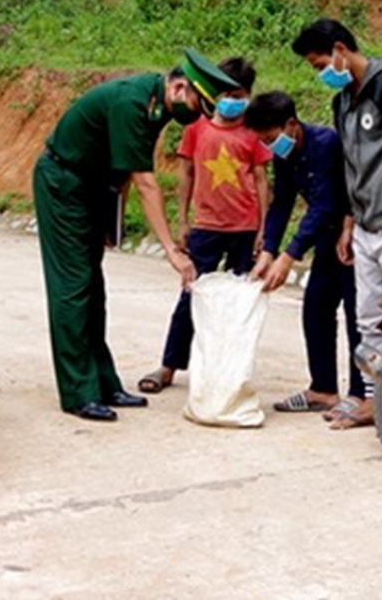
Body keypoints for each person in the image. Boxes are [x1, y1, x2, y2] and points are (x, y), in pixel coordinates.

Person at [35, 50, 240, 422]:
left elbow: (127, 169)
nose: (198, 114)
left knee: (93, 288)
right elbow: (147, 184)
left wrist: (109, 223)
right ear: (179, 87)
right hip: (63, 184)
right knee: (72, 286)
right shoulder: (133, 102)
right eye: (198, 103)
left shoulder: (157, 106)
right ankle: (77, 392)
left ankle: (103, 382)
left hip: (93, 188)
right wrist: (172, 251)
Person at [290, 19, 382, 430]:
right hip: (365, 226)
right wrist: (349, 222)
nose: (320, 72)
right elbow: (350, 167)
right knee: (369, 319)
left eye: (320, 63)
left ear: (340, 49)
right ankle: (376, 401)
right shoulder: (343, 102)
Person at [136, 57, 271, 395]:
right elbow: (186, 174)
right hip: (206, 227)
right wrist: (183, 219)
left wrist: (263, 230)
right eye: (227, 93)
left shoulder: (254, 132)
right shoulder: (195, 127)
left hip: (245, 228)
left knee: (239, 303)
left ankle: (228, 369)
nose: (233, 101)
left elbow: (260, 179)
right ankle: (169, 366)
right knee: (190, 295)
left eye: (240, 95)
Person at [246, 91, 364, 416]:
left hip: (351, 236)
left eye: (271, 138)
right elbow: (282, 201)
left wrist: (289, 256)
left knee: (357, 318)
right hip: (326, 239)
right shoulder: (284, 155)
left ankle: (359, 394)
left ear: (292, 125)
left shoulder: (326, 144)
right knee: (316, 309)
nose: (270, 146)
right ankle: (323, 390)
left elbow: (325, 205)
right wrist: (269, 251)